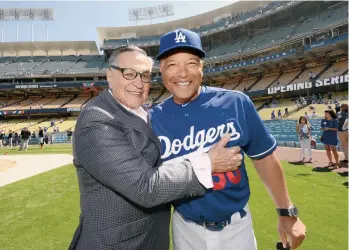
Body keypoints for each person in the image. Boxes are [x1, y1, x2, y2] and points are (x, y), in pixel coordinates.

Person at [68, 45, 243, 250]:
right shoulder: (97, 120)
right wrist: (209, 162)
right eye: (129, 73)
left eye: (145, 75)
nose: (138, 83)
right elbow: (145, 187)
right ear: (110, 76)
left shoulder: (144, 113)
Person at [149, 28, 306, 250]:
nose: (182, 73)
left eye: (191, 63)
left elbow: (264, 158)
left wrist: (286, 210)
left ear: (202, 67)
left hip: (236, 228)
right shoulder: (153, 119)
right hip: (185, 229)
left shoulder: (236, 103)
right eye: (172, 64)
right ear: (162, 71)